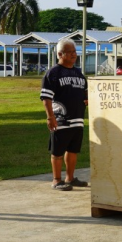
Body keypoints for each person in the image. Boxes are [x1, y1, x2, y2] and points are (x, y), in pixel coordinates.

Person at [41, 38, 89, 191]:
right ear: (60, 54)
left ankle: (70, 177)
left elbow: (85, 92)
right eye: (70, 52)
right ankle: (56, 180)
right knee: (58, 151)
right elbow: (46, 97)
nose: (74, 55)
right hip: (61, 119)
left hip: (78, 118)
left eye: (75, 52)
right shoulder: (53, 73)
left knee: (73, 150)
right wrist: (50, 117)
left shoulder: (79, 73)